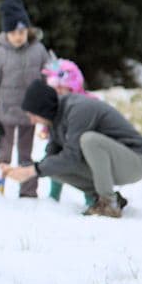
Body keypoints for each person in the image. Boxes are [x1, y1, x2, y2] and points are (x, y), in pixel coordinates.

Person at [2, 79, 142, 218]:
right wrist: (23, 170)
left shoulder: (78, 109)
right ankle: (100, 198)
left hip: (135, 161)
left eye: (33, 115)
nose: (31, 120)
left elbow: (72, 156)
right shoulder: (55, 117)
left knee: (89, 140)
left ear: (43, 108)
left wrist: (32, 171)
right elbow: (50, 158)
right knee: (52, 168)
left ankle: (108, 203)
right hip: (113, 163)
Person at [0, 0, 52, 197]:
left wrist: (51, 102)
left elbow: (49, 76)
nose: (18, 37)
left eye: (21, 32)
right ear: (6, 33)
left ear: (27, 30)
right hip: (5, 113)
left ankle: (28, 191)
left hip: (30, 114)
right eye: (13, 32)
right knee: (4, 152)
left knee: (26, 153)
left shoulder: (38, 51)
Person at [33, 58, 88, 201]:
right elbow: (51, 118)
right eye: (55, 89)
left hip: (82, 144)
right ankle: (54, 193)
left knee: (86, 164)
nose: (58, 92)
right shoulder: (56, 104)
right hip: (60, 141)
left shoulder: (84, 102)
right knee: (54, 158)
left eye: (61, 88)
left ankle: (91, 195)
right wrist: (46, 128)